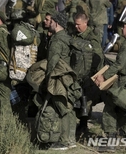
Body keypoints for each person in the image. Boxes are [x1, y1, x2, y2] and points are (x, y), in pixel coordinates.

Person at [94, 18, 126, 152]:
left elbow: (119, 64)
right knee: (123, 111)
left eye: (125, 27)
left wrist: (104, 75)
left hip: (122, 81)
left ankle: (110, 143)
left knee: (109, 109)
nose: (122, 28)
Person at [43, 12, 77, 150]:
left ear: (56, 23)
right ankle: (71, 138)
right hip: (68, 76)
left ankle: (64, 141)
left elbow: (52, 62)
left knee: (62, 108)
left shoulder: (57, 40)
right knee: (69, 108)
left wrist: (47, 80)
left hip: (59, 77)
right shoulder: (67, 37)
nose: (49, 23)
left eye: (51, 21)